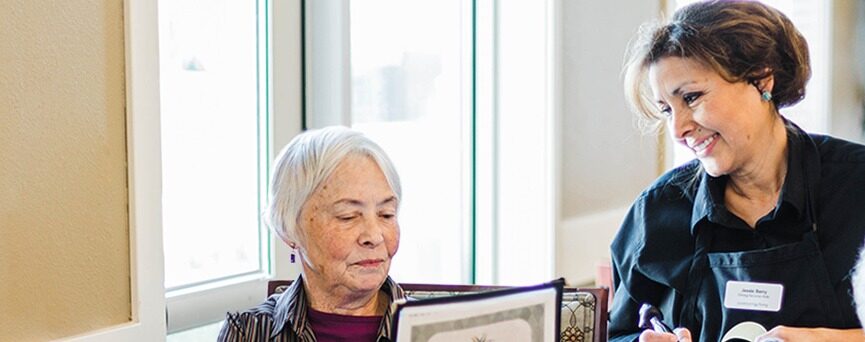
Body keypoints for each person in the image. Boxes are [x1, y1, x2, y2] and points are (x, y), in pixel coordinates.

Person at [611, 1, 865, 341]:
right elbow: (619, 331)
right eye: (666, 110)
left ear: (762, 79)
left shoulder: (855, 185)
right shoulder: (656, 213)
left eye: (691, 97)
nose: (678, 129)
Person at [217, 126, 405, 341]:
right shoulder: (249, 333)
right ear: (290, 229)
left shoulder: (439, 328)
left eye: (386, 215)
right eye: (348, 216)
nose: (374, 236)